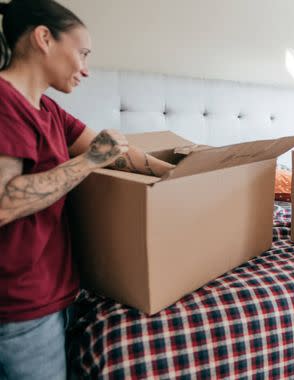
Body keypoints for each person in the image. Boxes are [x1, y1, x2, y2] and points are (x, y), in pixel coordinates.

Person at [0, 1, 174, 378]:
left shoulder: (49, 110)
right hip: (19, 307)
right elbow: (4, 202)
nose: (86, 69)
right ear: (44, 38)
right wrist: (88, 161)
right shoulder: (4, 102)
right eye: (82, 54)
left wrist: (180, 174)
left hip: (57, 293)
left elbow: (117, 153)